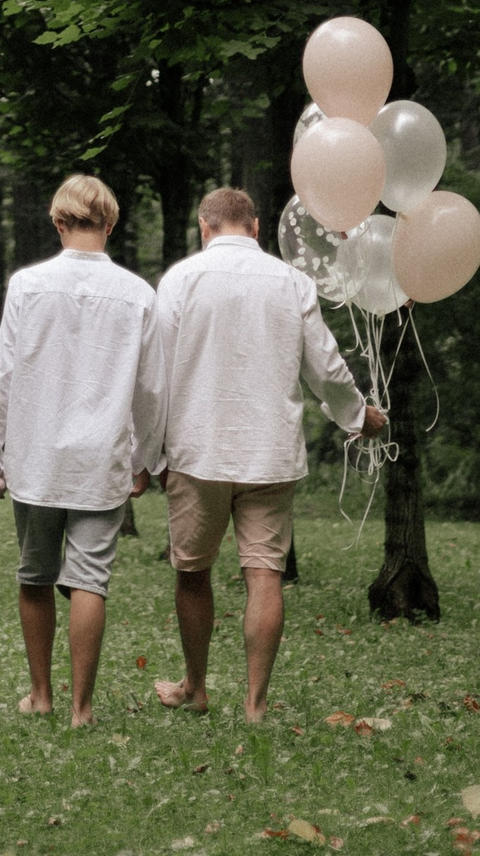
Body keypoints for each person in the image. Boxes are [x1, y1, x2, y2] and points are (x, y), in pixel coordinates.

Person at [148, 184, 386, 724]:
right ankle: (255, 705)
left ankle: (196, 688)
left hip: (197, 450)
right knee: (264, 575)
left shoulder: (180, 279)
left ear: (204, 228)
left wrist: (149, 453)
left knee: (192, 573)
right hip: (270, 452)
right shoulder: (291, 281)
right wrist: (358, 415)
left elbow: (155, 374)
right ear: (256, 228)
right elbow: (324, 364)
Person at [0, 173, 162, 728]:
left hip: (36, 455)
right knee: (89, 579)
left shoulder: (27, 286)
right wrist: (146, 456)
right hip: (102, 457)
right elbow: (151, 389)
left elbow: (3, 372)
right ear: (111, 224)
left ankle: (41, 694)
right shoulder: (138, 294)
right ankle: (83, 708)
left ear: (58, 222)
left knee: (35, 575)